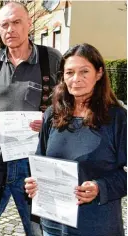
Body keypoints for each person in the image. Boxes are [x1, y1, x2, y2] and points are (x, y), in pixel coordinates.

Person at [0, 2, 62, 236]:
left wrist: (50, 119)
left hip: (36, 161)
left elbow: (69, 106)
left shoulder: (51, 59)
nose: (10, 29)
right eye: (5, 25)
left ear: (29, 24)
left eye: (16, 22)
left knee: (38, 230)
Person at [24, 43, 127, 236]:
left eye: (84, 71)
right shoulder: (52, 115)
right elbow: (40, 162)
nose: (76, 79)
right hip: (53, 227)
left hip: (97, 228)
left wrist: (100, 187)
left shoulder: (118, 119)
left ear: (99, 73)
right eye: (69, 72)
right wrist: (34, 182)